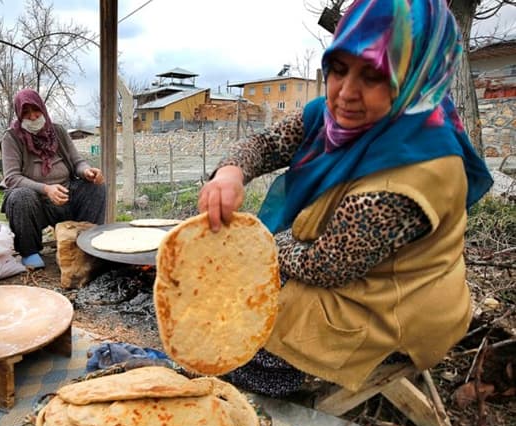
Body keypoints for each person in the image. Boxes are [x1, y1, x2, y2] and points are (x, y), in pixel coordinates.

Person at [198, 0, 493, 396]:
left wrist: (250, 244)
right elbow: (268, 143)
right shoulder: (336, 117)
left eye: (372, 76)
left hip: (388, 306)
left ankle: (280, 387)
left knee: (240, 342)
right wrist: (231, 171)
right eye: (338, 69)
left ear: (414, 76)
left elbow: (325, 266)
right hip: (356, 270)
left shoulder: (411, 174)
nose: (345, 93)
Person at [0, 89, 106, 269]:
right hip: (36, 204)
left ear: (43, 109)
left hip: (66, 195)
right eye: (26, 113)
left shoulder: (57, 131)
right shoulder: (11, 137)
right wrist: (46, 189)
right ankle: (30, 252)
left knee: (96, 188)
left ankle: (86, 243)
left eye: (36, 110)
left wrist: (87, 171)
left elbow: (76, 161)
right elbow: (12, 178)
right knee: (20, 196)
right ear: (19, 114)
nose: (33, 117)